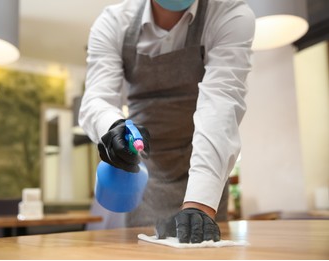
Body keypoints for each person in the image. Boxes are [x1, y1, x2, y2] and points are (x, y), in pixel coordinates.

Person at [79, 0, 255, 243]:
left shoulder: (229, 15)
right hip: (144, 176)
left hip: (203, 169)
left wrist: (200, 203)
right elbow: (96, 99)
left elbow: (220, 106)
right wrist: (115, 127)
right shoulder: (113, 23)